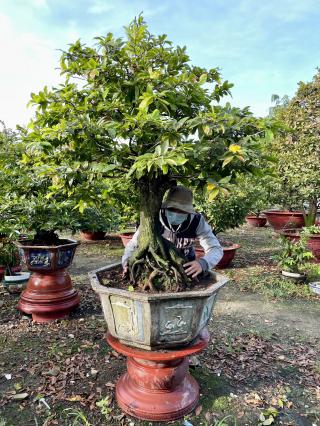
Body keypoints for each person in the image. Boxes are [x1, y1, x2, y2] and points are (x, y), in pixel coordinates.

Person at [122, 185, 223, 278]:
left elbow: (215, 248)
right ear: (166, 207)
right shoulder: (153, 219)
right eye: (173, 209)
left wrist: (203, 263)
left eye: (182, 210)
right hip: (157, 269)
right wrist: (127, 263)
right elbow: (134, 244)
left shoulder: (196, 221)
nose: (176, 213)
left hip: (186, 271)